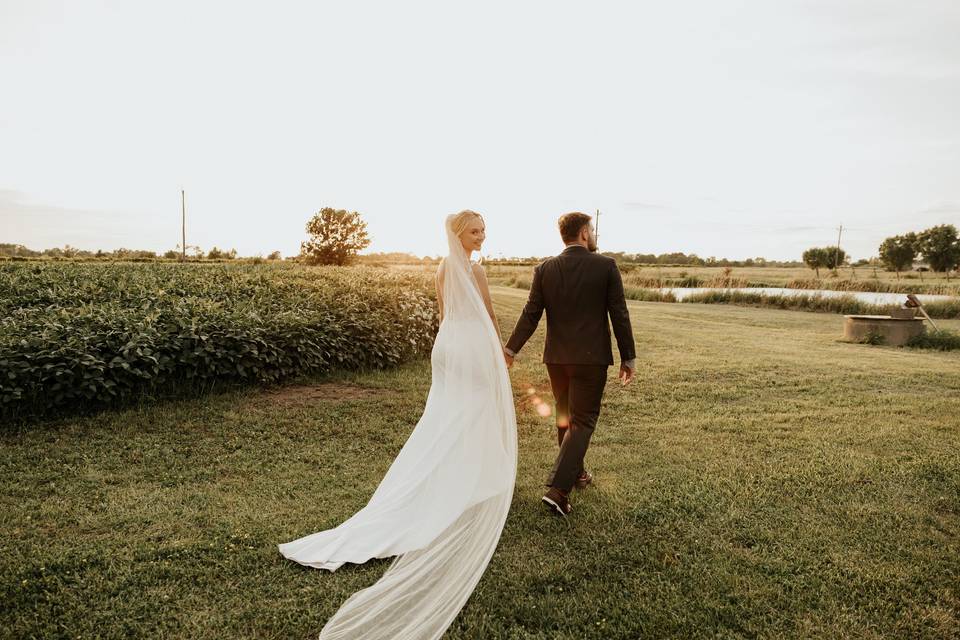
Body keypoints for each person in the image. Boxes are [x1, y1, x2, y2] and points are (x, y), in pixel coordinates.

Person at [277, 211, 516, 640]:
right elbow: (488, 316)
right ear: (459, 234)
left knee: (450, 416)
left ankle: (459, 472)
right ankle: (475, 479)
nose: (483, 235)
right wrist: (500, 352)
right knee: (474, 412)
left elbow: (445, 314)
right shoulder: (474, 270)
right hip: (472, 346)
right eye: (476, 230)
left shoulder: (443, 267)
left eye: (483, 229)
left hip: (448, 346)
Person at [504, 211, 636, 516]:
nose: (594, 235)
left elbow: (530, 314)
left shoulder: (545, 268)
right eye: (592, 229)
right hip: (591, 360)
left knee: (565, 417)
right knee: (583, 420)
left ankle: (576, 473)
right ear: (584, 233)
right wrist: (628, 357)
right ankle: (558, 490)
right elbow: (620, 314)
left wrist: (511, 349)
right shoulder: (605, 266)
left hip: (557, 359)